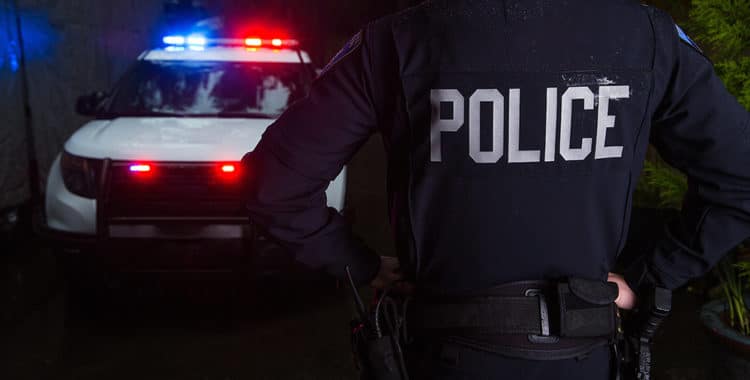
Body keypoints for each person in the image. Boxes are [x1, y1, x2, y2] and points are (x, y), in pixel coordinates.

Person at [241, 0, 750, 379]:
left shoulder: (395, 41)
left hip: (442, 357)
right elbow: (740, 177)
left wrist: (362, 265)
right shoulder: (649, 38)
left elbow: (274, 187)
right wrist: (650, 276)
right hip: (585, 358)